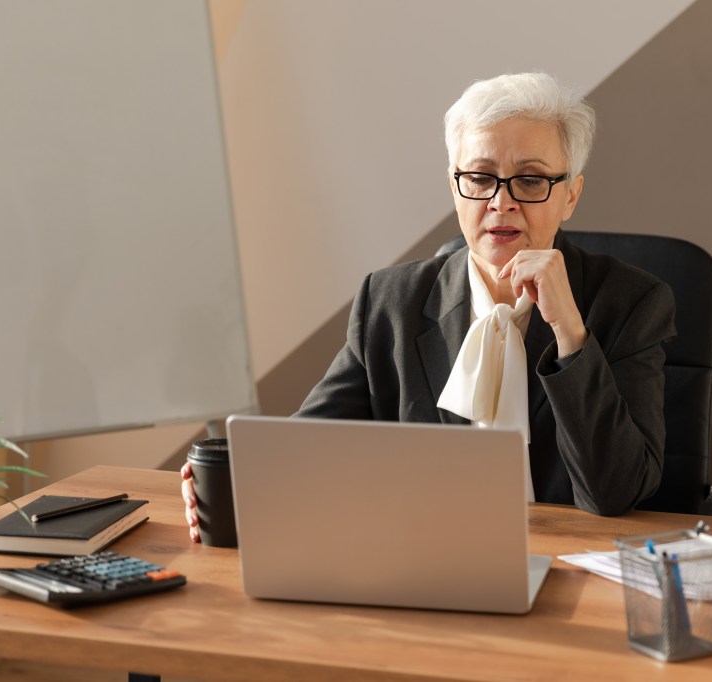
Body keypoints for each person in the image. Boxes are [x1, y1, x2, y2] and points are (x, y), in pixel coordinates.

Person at [182, 72, 675, 541]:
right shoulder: (391, 302)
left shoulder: (631, 303)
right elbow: (304, 451)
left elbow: (615, 494)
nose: (500, 203)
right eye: (480, 178)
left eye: (530, 180)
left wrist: (571, 335)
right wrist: (232, 481)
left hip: (573, 570)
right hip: (422, 556)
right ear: (454, 186)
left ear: (570, 195)